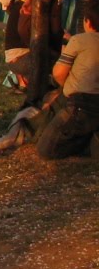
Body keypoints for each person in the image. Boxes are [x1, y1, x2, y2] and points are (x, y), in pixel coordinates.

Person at [35, 10, 99, 159]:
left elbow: (58, 73)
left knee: (45, 150)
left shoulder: (78, 40)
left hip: (80, 104)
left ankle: (85, 144)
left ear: (88, 22)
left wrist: (67, 85)